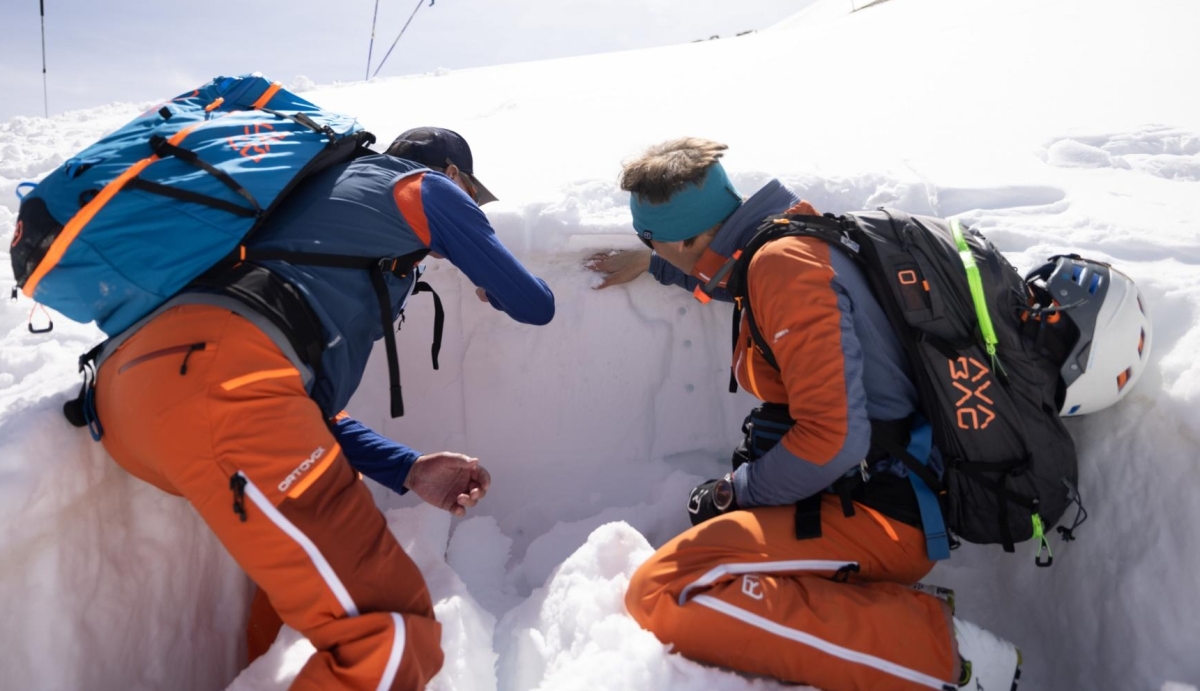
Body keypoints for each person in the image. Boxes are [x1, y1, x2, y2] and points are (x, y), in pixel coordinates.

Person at [94, 126, 554, 690]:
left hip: (130, 387)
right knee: (392, 626)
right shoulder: (427, 187)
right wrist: (493, 285)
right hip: (224, 381)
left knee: (310, 575)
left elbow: (287, 408)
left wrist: (405, 468)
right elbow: (536, 304)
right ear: (455, 176)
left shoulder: (306, 197)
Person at [588, 137, 1020, 691]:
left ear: (693, 237)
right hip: (864, 492)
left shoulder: (783, 269)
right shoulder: (786, 241)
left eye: (649, 237)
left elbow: (834, 438)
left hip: (878, 515)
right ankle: (872, 613)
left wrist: (737, 491)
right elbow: (729, 281)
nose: (648, 246)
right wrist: (655, 265)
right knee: (704, 556)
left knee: (668, 589)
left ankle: (945, 654)